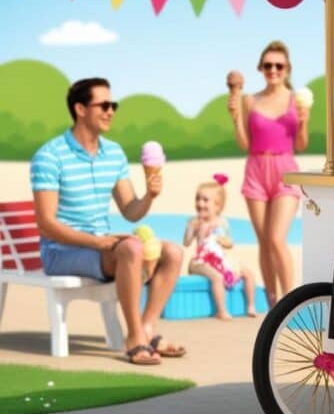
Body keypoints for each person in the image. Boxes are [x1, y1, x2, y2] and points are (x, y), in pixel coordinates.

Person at [31, 78, 186, 365]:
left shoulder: (113, 153)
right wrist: (99, 242)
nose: (110, 111)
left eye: (112, 105)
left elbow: (130, 210)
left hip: (100, 246)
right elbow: (46, 224)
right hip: (61, 251)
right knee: (131, 249)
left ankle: (148, 328)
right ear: (80, 109)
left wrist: (149, 196)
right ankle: (135, 337)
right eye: (103, 105)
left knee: (173, 252)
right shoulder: (49, 156)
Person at [227, 41, 309, 307]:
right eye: (268, 65)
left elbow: (300, 145)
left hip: (285, 170)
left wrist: (305, 121)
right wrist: (235, 117)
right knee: (263, 240)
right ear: (261, 68)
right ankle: (273, 302)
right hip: (256, 169)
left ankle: (291, 302)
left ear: (287, 69)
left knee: (276, 238)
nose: (273, 70)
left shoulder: (297, 100)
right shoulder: (250, 100)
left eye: (279, 65)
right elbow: (244, 144)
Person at [184, 174, 258, 320]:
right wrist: (191, 229)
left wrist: (226, 242)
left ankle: (250, 305)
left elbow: (229, 243)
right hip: (201, 261)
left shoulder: (222, 222)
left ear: (217, 205)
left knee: (248, 273)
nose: (200, 203)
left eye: (205, 200)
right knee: (217, 278)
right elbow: (186, 243)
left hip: (221, 260)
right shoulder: (194, 222)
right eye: (198, 199)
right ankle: (221, 310)